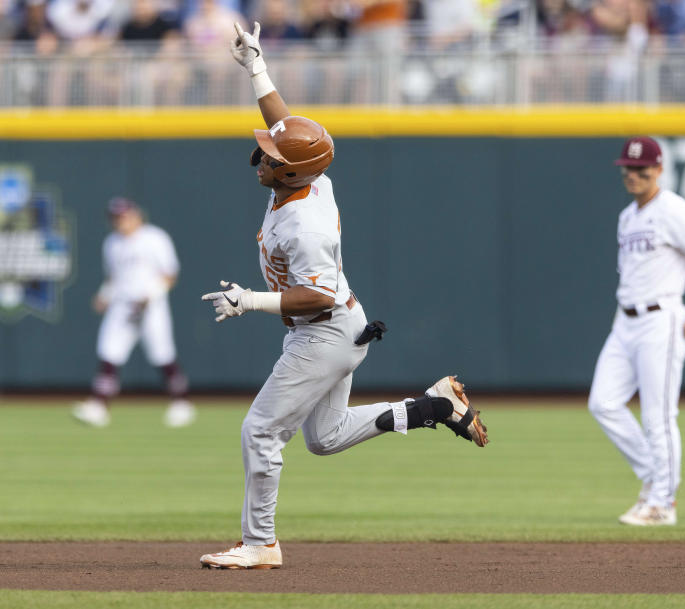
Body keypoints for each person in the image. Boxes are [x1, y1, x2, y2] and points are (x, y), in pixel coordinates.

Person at [198, 21, 488, 570]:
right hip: (340, 330)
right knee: (325, 439)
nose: (261, 157)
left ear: (289, 172)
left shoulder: (306, 225)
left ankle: (260, 544)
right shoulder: (309, 177)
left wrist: (251, 301)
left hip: (325, 329)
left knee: (260, 431)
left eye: (270, 156)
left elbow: (317, 296)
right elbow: (285, 126)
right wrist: (257, 66)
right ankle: (434, 405)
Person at [588, 136, 685, 526]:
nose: (633, 175)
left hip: (661, 319)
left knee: (658, 416)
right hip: (625, 319)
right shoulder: (628, 216)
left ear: (659, 169)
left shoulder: (673, 210)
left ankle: (662, 503)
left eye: (642, 169)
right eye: (628, 169)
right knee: (603, 403)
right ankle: (655, 479)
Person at [72, 197, 196, 429]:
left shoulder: (154, 238)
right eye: (116, 217)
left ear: (136, 215)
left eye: (124, 215)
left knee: (162, 354)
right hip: (123, 304)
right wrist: (104, 295)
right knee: (109, 352)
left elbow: (170, 274)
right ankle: (99, 407)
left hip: (152, 305)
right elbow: (113, 278)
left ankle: (182, 404)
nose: (121, 221)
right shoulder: (112, 243)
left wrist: (151, 294)